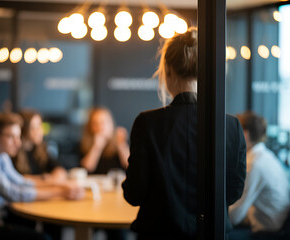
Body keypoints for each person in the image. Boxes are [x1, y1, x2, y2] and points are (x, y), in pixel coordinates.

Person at [122, 28, 247, 239]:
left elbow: (134, 194)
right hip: (211, 234)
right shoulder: (231, 126)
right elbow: (233, 193)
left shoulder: (147, 123)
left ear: (168, 71)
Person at [0, 112, 84, 240]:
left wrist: (59, 185)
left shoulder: (1, 155)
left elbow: (21, 181)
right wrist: (61, 192)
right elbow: (12, 193)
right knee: (43, 238)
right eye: (11, 137)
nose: (18, 143)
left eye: (18, 137)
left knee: (47, 227)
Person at [228, 111, 290, 240]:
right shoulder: (265, 155)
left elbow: (234, 216)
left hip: (268, 231)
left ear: (245, 134)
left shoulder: (254, 164)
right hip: (277, 223)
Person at [12, 109, 67, 184]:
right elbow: (16, 178)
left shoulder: (40, 148)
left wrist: (54, 176)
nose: (40, 131)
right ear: (23, 130)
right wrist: (43, 178)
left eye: (40, 125)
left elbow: (59, 169)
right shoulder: (13, 152)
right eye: (34, 127)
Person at [79, 107, 130, 174]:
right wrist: (96, 147)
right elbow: (86, 169)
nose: (101, 127)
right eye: (96, 123)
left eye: (105, 122)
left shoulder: (120, 139)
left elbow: (130, 166)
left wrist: (122, 145)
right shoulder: (85, 143)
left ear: (112, 123)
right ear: (90, 127)